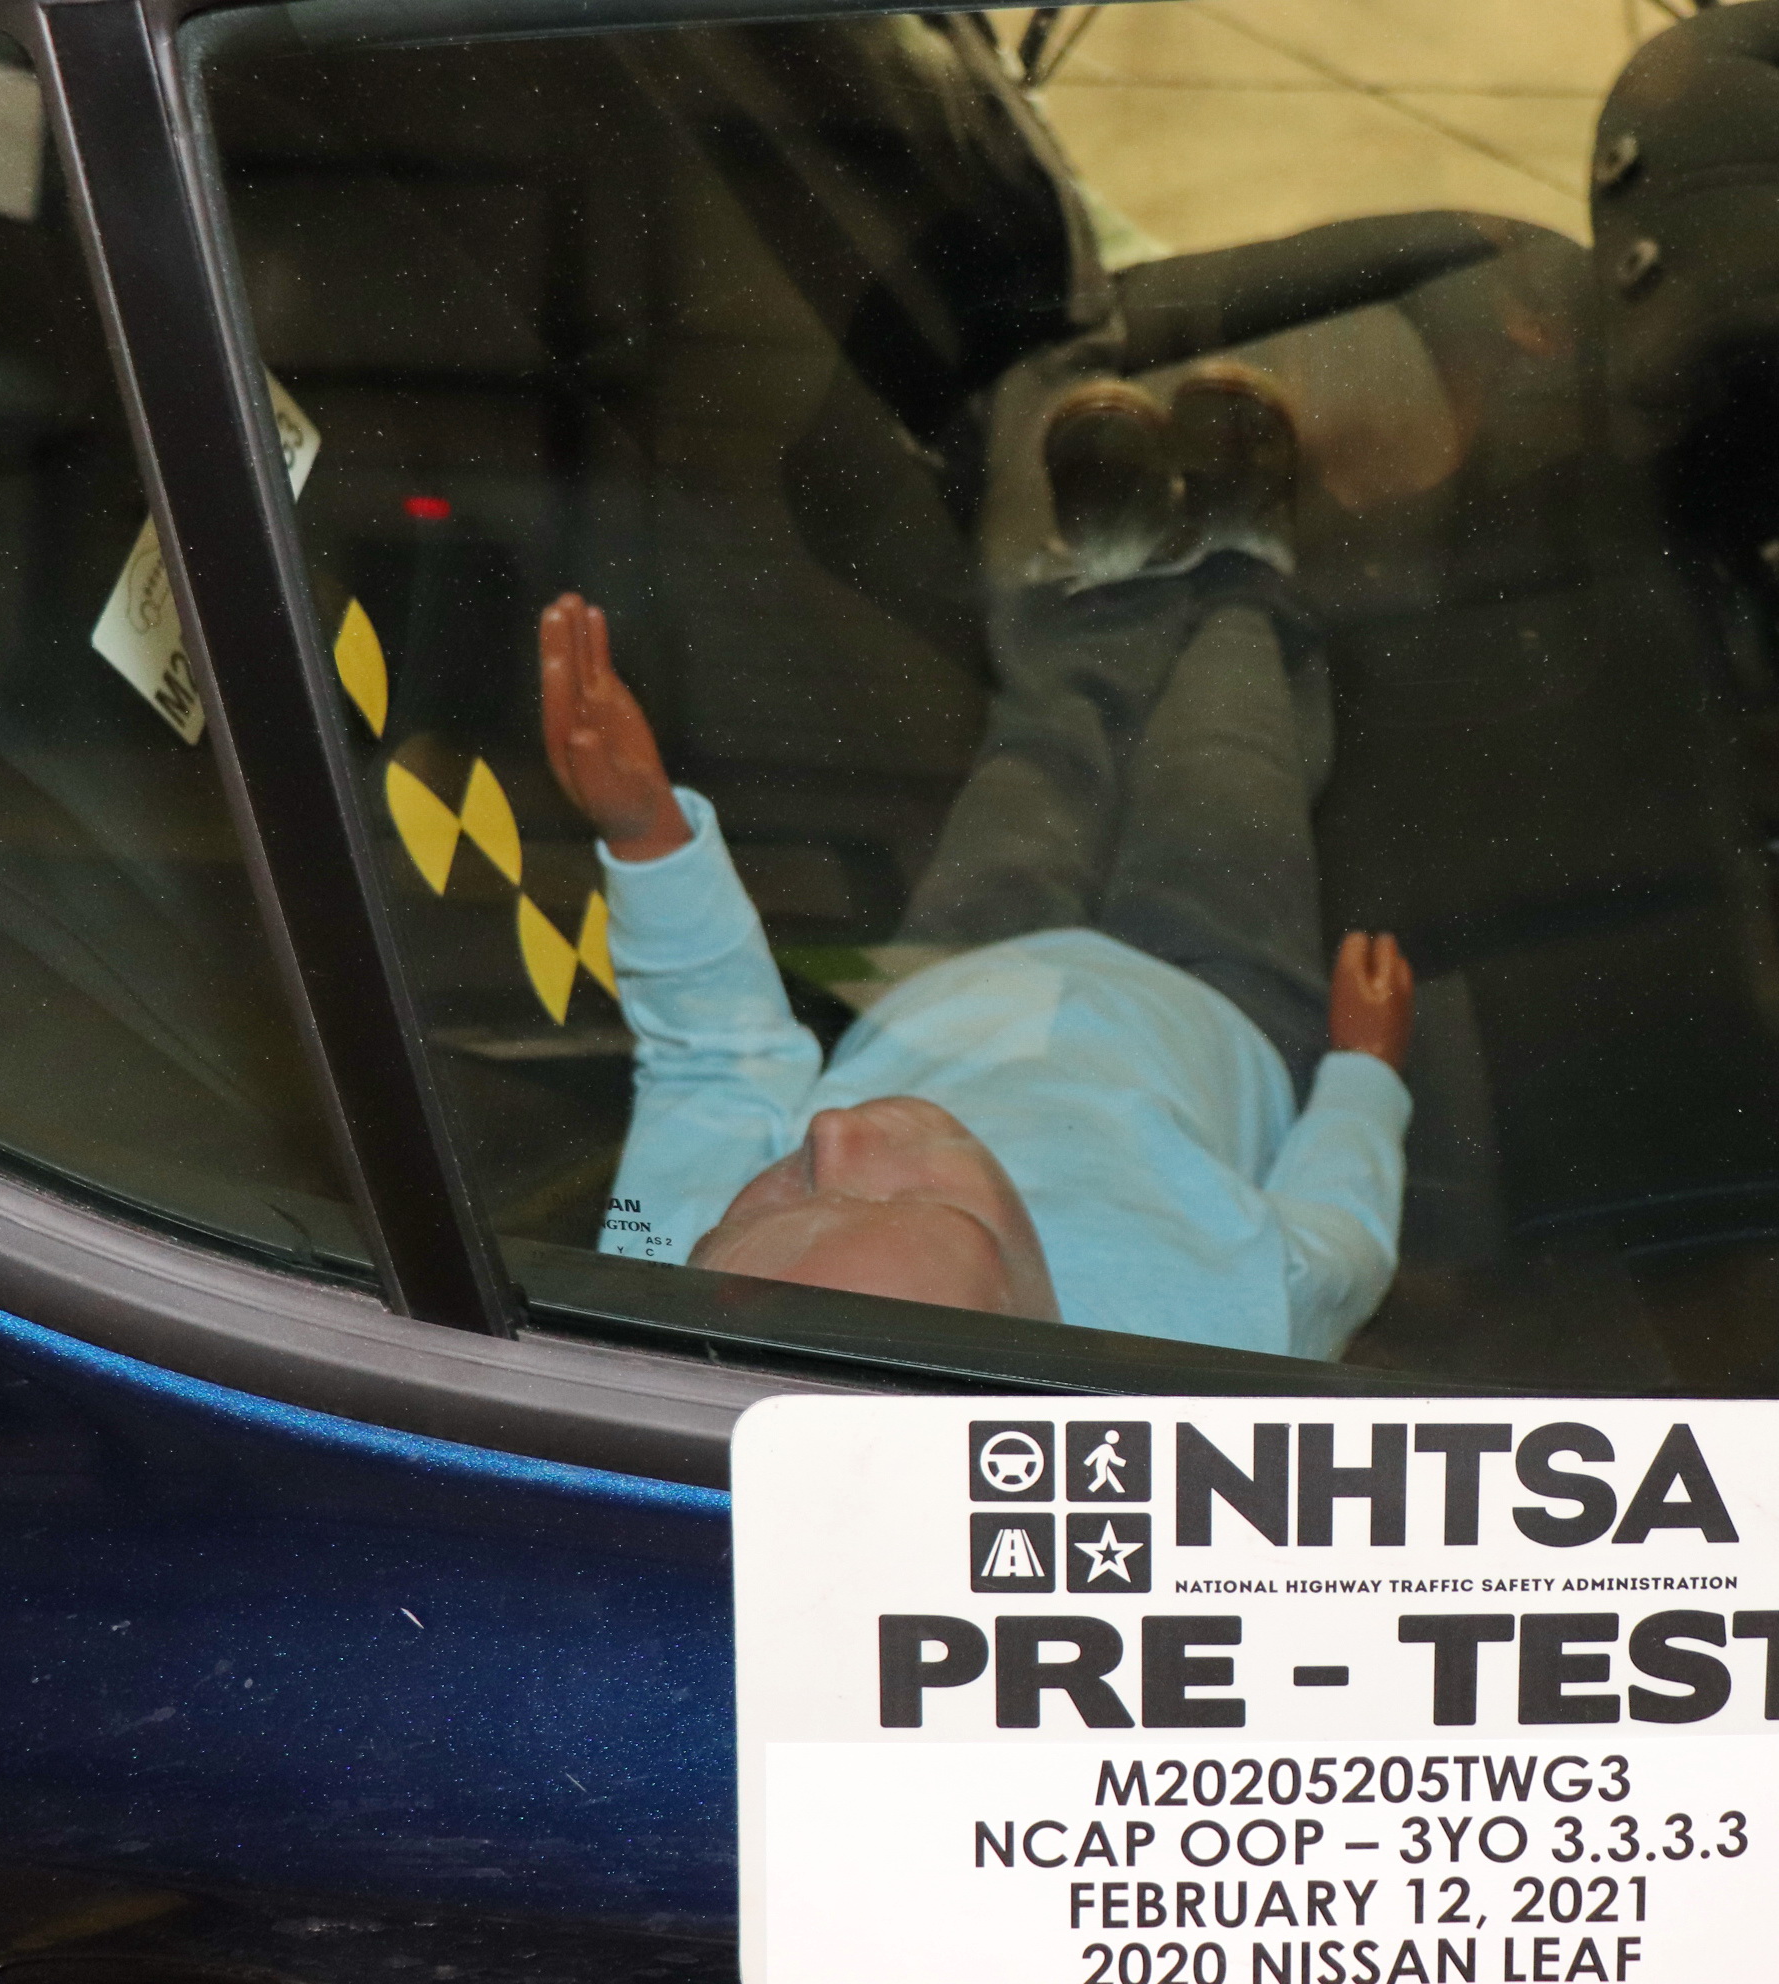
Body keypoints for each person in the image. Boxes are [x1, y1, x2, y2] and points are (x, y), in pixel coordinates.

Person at [550, 363, 1416, 1361]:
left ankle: (1111, 589)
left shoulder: (654, 1264)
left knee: (1039, 757)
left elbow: (707, 1062)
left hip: (956, 976)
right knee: (1228, 760)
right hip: (1221, 1011)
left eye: (773, 1200)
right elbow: (1338, 1243)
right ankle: (1243, 579)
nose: (836, 1136)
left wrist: (649, 839)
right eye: (929, 1209)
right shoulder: (1220, 1332)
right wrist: (1364, 1078)